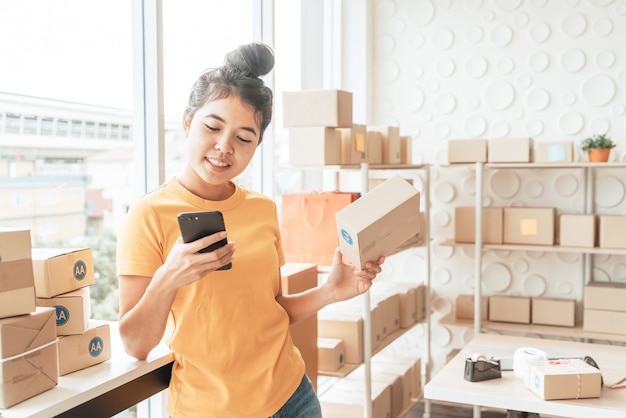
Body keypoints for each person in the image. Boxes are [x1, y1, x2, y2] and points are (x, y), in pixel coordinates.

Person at [116, 42, 385, 418]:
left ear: (257, 145)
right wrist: (169, 278)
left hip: (293, 397)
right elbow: (135, 345)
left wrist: (331, 292)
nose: (224, 147)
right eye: (212, 127)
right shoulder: (148, 214)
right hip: (208, 410)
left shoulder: (261, 208)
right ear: (187, 121)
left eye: (244, 138)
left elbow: (269, 312)